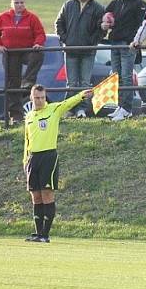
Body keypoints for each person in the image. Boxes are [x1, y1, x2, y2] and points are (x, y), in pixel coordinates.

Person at [23, 84, 93, 243]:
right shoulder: (29, 116)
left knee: (47, 193)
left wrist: (82, 95)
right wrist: (25, 159)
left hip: (48, 156)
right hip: (32, 158)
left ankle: (45, 235)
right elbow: (26, 140)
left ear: (45, 97)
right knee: (35, 196)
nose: (39, 100)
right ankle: (38, 232)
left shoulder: (53, 109)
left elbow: (68, 103)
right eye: (36, 98)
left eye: (41, 97)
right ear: (31, 98)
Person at [0, 0, 46, 124]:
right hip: (10, 53)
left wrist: (38, 43)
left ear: (24, 3)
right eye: (16, 3)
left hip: (26, 50)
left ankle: (28, 80)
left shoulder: (32, 18)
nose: (19, 5)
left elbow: (40, 33)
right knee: (12, 84)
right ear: (11, 3)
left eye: (21, 2)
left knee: (38, 54)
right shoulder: (2, 17)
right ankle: (16, 116)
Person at [55, 0, 106, 118]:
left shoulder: (98, 8)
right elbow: (59, 23)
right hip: (70, 51)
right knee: (71, 82)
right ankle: (69, 108)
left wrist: (92, 42)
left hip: (88, 52)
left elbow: (102, 30)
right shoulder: (68, 5)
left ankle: (81, 110)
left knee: (84, 82)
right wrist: (64, 39)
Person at [102, 0, 146, 121]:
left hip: (128, 45)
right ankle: (121, 107)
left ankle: (127, 109)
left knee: (127, 77)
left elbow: (143, 25)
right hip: (114, 44)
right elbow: (101, 18)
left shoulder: (138, 3)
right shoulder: (115, 3)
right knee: (117, 77)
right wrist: (104, 23)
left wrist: (135, 40)